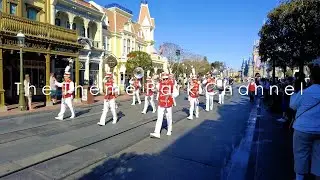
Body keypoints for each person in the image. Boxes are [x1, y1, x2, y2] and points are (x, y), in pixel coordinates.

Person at [290, 59, 320, 180]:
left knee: (300, 154)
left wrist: (293, 92)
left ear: (312, 79)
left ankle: (299, 178)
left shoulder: (305, 92)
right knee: (319, 156)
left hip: (302, 129)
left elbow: (292, 105)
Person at [150, 72, 179, 139]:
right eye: (163, 79)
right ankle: (157, 132)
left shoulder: (172, 85)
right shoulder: (159, 84)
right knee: (159, 118)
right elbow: (153, 89)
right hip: (161, 103)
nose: (165, 80)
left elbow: (176, 93)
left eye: (166, 79)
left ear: (168, 78)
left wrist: (171, 95)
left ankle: (169, 129)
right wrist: (153, 82)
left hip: (168, 103)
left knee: (169, 117)